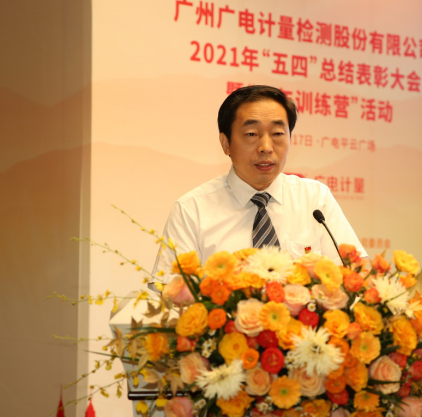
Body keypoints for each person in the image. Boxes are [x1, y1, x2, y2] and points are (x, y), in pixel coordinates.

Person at [152, 85, 366, 281]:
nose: (266, 147)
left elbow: (355, 279)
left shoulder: (315, 199)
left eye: (278, 133)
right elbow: (172, 296)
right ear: (226, 143)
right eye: (251, 134)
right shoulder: (191, 210)